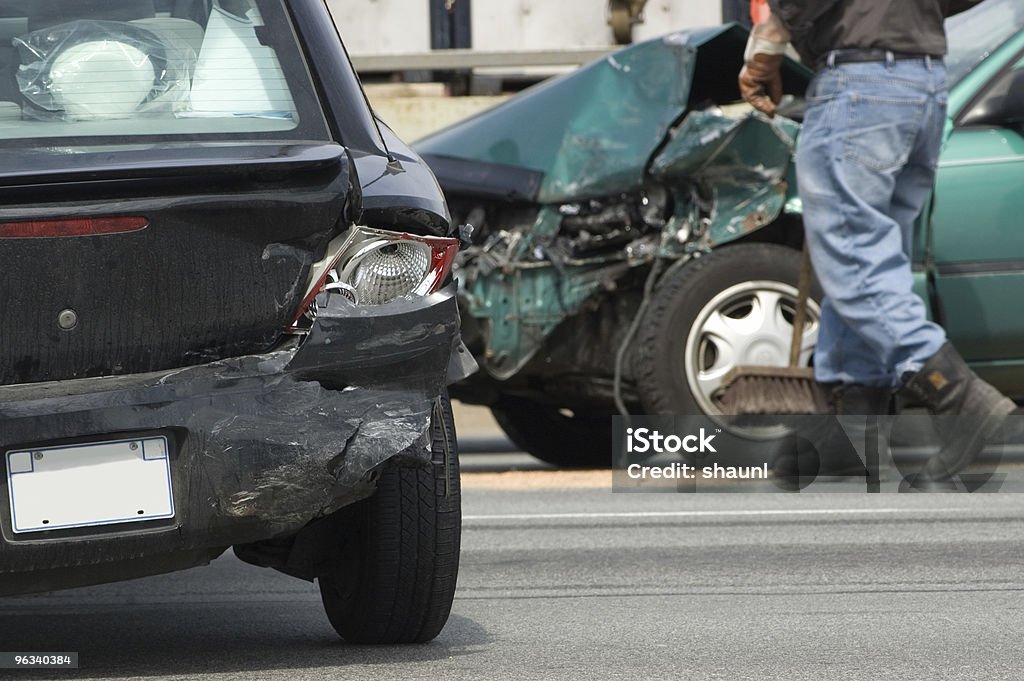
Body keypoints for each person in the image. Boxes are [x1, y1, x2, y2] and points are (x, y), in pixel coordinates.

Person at [737, 0, 1017, 484]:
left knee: (854, 261)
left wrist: (768, 42)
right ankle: (849, 429)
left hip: (861, 82)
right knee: (869, 262)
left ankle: (958, 396)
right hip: (924, 81)